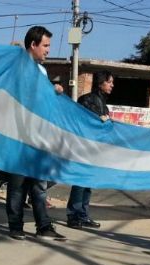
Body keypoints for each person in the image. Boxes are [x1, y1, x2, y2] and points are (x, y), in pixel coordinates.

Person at [4, 26, 66, 241]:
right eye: (46, 45)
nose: (48, 50)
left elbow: (41, 99)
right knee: (18, 186)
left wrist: (54, 90)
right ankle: (15, 226)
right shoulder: (18, 68)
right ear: (33, 45)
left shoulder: (42, 71)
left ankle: (43, 226)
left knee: (39, 186)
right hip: (19, 137)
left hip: (39, 138)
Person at [66, 70, 114, 229]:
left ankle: (83, 215)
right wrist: (99, 119)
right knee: (80, 182)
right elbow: (81, 120)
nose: (112, 85)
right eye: (109, 82)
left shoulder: (103, 105)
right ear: (101, 83)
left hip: (95, 149)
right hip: (83, 148)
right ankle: (73, 215)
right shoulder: (86, 100)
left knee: (88, 183)